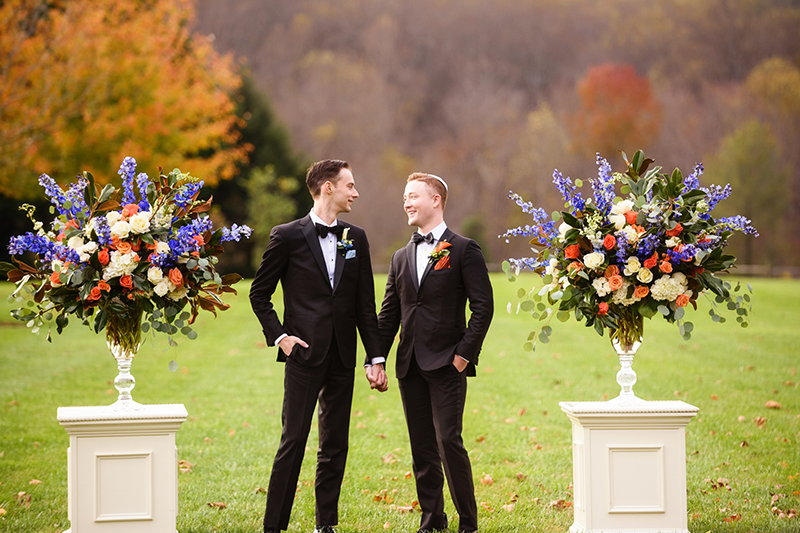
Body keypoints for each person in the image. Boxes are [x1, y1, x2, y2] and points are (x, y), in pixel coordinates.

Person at [250, 159, 388, 533]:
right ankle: (273, 527)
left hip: (343, 356)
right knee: (293, 441)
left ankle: (326, 525)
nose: (355, 193)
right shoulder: (287, 235)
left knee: (335, 445)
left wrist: (375, 357)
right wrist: (281, 337)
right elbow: (259, 294)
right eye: (350, 186)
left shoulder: (355, 237)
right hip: (303, 354)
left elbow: (364, 305)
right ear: (328, 187)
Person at [377, 173, 493, 533]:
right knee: (422, 446)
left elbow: (483, 307)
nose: (406, 203)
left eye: (412, 196)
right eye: (404, 197)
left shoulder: (463, 249)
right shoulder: (400, 257)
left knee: (448, 441)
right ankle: (432, 519)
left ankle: (468, 523)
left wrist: (463, 356)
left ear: (436, 200)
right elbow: (389, 315)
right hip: (409, 363)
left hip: (447, 363)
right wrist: (377, 358)